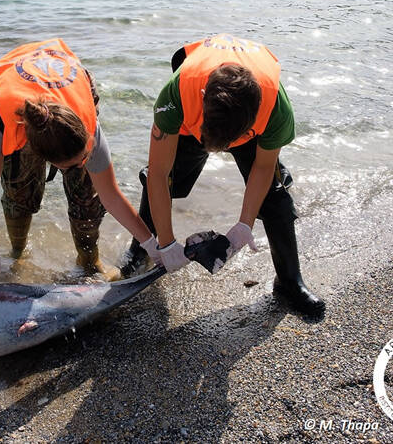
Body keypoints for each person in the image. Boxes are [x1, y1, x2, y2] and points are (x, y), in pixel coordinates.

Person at [122, 34, 325, 317]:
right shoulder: (175, 94)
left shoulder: (276, 109)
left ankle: (290, 281)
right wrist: (167, 244)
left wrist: (244, 225)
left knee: (274, 196)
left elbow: (264, 168)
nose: (225, 151)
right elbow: (159, 173)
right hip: (197, 121)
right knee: (169, 183)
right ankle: (140, 253)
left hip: (239, 122)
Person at [0, 38, 160, 290]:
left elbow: (110, 194)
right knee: (19, 193)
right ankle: (18, 255)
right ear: (50, 162)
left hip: (67, 87)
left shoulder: (86, 121)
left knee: (87, 199)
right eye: (75, 162)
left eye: (85, 154)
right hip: (18, 93)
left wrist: (152, 245)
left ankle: (89, 262)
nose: (85, 161)